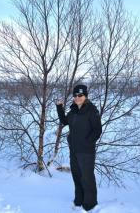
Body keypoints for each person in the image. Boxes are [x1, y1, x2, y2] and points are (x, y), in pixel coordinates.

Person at [56, 84, 102, 213]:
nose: (77, 97)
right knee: (77, 176)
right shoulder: (74, 110)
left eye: (80, 95)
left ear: (85, 96)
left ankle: (90, 205)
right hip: (74, 150)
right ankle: (79, 200)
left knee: (87, 178)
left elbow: (97, 131)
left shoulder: (92, 110)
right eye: (75, 95)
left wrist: (87, 143)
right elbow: (65, 121)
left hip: (86, 152)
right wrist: (59, 107)